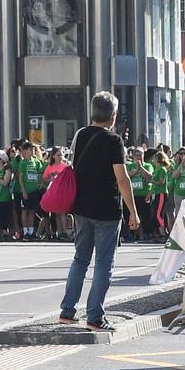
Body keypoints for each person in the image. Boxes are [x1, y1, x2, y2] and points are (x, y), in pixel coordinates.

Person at [59, 92, 140, 329]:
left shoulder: (80, 135)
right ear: (113, 116)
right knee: (104, 263)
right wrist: (133, 211)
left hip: (82, 207)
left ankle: (67, 310)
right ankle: (95, 316)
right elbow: (122, 179)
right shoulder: (113, 141)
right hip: (106, 208)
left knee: (80, 259)